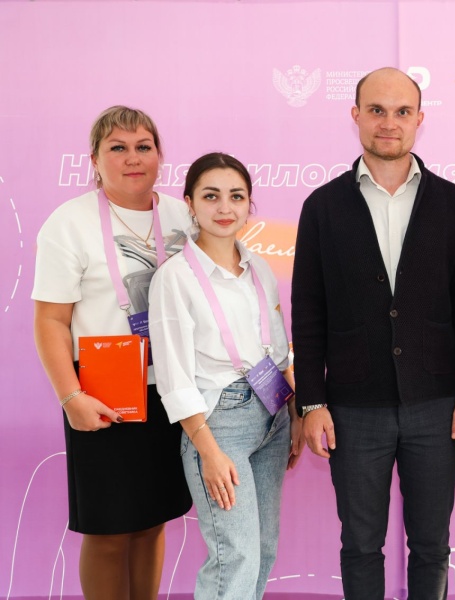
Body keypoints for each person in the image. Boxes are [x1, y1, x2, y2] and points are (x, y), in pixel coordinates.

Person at [292, 66, 455, 600]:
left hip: (436, 404)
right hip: (353, 408)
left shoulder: (453, 203)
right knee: (360, 546)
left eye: (402, 111)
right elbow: (307, 313)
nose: (389, 123)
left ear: (420, 119)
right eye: (377, 110)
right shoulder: (322, 207)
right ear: (355, 115)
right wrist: (312, 403)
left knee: (432, 546)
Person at [32, 106, 192, 599]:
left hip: (173, 390)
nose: (132, 158)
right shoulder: (69, 223)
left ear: (160, 155)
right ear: (95, 160)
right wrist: (71, 397)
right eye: (117, 148)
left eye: (143, 146)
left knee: (152, 521)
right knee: (107, 531)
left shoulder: (183, 216)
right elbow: (50, 321)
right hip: (102, 395)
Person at [149, 152, 301, 599]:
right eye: (211, 196)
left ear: (249, 205)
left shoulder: (260, 269)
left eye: (236, 197)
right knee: (235, 556)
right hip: (218, 425)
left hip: (273, 417)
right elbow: (175, 378)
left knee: (263, 550)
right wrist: (208, 452)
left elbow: (278, 350)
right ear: (189, 204)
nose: (224, 208)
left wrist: (294, 414)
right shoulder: (175, 277)